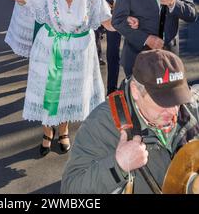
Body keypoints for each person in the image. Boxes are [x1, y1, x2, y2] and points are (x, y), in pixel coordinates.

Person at [0, 0, 114, 156]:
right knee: (47, 92)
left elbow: (109, 23)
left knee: (68, 92)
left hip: (78, 57)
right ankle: (46, 132)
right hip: (49, 51)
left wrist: (130, 19)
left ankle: (63, 130)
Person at [61, 49, 199, 194]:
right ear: (135, 91)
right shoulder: (101, 124)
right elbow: (70, 189)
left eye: (177, 99)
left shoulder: (190, 107)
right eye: (163, 102)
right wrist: (118, 167)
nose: (173, 111)